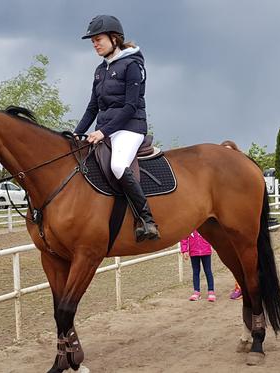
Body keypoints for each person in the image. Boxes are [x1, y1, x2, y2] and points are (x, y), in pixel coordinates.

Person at [74, 15, 159, 242]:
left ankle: (146, 219)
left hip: (130, 127)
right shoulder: (100, 71)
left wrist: (103, 132)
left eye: (98, 39)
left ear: (114, 38)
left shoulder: (133, 65)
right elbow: (92, 108)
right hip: (108, 128)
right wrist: (76, 133)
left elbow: (130, 106)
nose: (95, 44)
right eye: (92, 41)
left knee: (119, 165)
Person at [180, 230, 215, 302]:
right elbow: (184, 237)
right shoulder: (189, 225)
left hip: (206, 251)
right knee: (195, 272)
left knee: (208, 271)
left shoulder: (204, 224)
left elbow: (212, 234)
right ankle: (196, 292)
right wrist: (184, 250)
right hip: (194, 252)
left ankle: (211, 291)